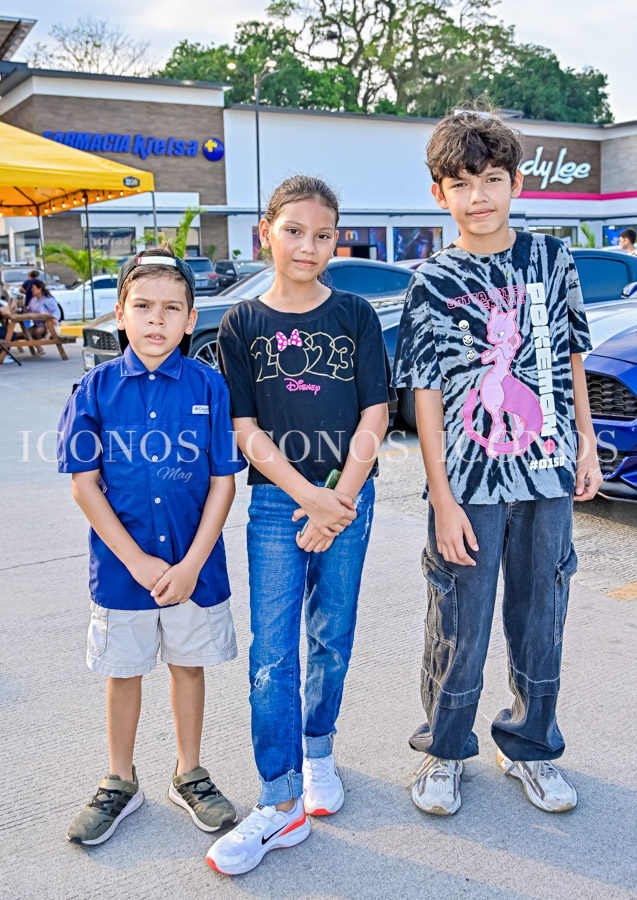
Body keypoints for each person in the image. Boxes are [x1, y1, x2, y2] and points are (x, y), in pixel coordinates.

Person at [392, 109, 602, 818]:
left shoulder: (550, 261)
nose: (477, 196)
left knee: (541, 613)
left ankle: (530, 750)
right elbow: (423, 393)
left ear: (514, 183)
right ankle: (445, 751)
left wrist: (586, 443)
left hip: (545, 474)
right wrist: (442, 497)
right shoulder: (431, 279)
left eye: (490, 180)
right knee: (459, 616)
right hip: (469, 483)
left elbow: (571, 353)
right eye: (460, 184)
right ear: (438, 195)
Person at [209, 175, 391, 875]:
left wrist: (338, 498)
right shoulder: (242, 323)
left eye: (322, 234)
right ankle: (278, 798)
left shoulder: (354, 313)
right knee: (271, 655)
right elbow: (245, 427)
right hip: (277, 503)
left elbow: (376, 412)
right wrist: (305, 499)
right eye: (293, 231)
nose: (307, 245)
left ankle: (318, 751)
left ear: (335, 240)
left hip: (349, 498)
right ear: (266, 232)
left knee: (331, 636)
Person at [57, 246, 247, 847]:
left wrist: (191, 564)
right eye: (142, 306)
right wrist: (136, 560)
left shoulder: (210, 387)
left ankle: (188, 771)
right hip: (122, 572)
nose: (156, 320)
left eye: (171, 308)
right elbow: (85, 486)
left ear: (191, 319)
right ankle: (120, 779)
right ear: (120, 314)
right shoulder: (95, 389)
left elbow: (224, 480)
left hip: (196, 570)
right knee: (124, 670)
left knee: (187, 666)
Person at [27, 279, 62, 354]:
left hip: (45, 325)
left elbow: (56, 311)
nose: (32, 290)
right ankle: (39, 348)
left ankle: (39, 348)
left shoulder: (48, 300)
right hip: (36, 324)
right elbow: (28, 309)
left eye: (34, 288)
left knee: (36, 332)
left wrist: (54, 318)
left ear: (39, 289)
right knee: (26, 333)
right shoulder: (33, 300)